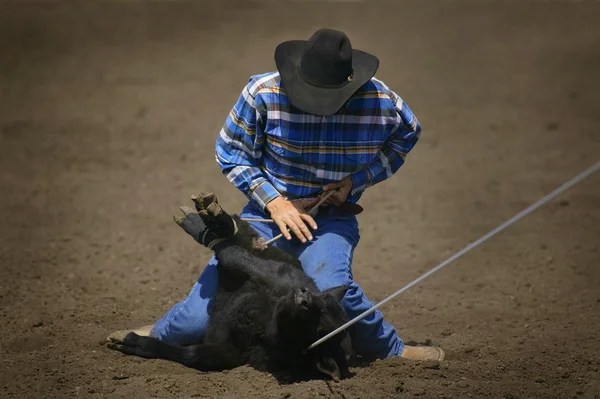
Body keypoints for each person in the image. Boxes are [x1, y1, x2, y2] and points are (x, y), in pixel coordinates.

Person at [108, 28, 444, 362]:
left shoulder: (382, 103)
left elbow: (407, 135)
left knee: (330, 289)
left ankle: (392, 350)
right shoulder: (263, 92)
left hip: (329, 222)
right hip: (265, 219)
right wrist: (275, 201)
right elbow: (230, 151)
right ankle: (164, 331)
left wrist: (356, 181)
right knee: (193, 322)